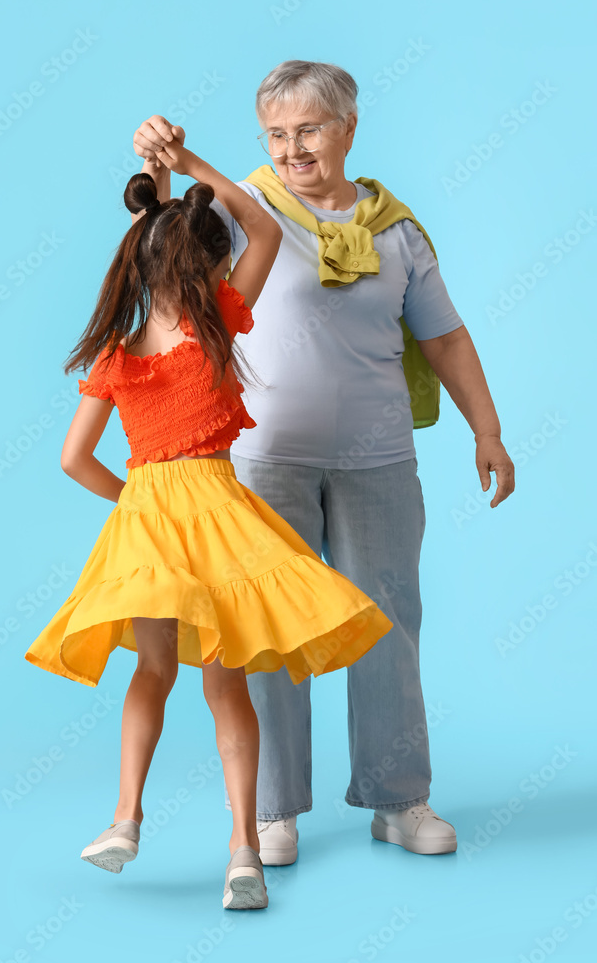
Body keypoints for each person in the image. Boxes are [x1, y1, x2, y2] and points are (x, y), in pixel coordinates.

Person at [131, 59, 516, 866]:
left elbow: (443, 335)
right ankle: (272, 810)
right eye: (276, 133)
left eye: (307, 129)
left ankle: (397, 799)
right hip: (266, 460)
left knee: (387, 622)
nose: (292, 148)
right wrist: (158, 169)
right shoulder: (243, 210)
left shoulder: (396, 230)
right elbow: (164, 249)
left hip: (378, 457)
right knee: (265, 634)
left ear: (347, 128)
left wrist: (486, 430)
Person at [23, 132, 394, 910]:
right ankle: (244, 855)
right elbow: (262, 228)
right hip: (221, 514)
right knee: (228, 692)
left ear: (140, 263)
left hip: (150, 520)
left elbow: (72, 461)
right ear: (211, 267)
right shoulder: (220, 322)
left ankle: (125, 819)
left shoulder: (118, 357)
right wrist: (189, 170)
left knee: (150, 673)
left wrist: (134, 502)